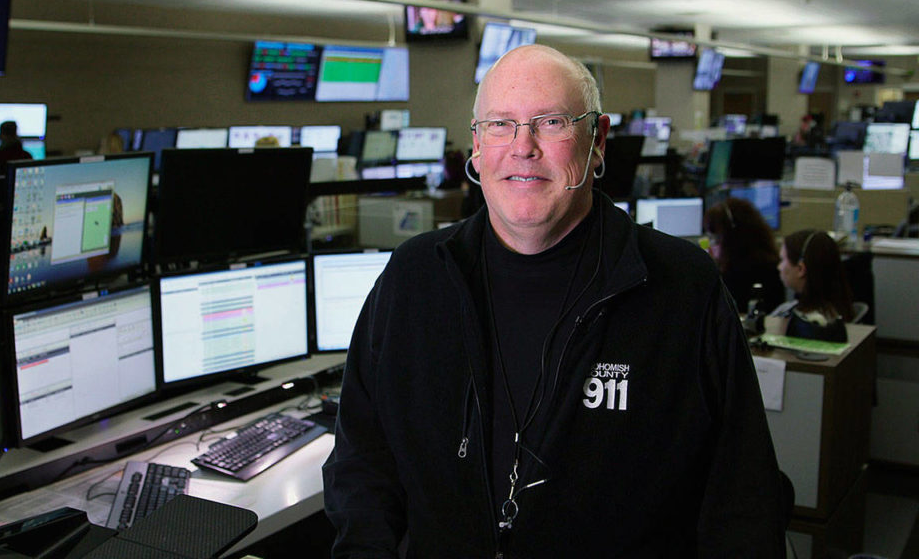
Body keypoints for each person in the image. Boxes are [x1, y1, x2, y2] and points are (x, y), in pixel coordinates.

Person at [323, 44, 786, 557]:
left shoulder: (682, 288)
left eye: (551, 122)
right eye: (500, 124)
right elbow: (361, 459)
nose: (523, 147)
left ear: (598, 140)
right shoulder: (413, 278)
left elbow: (743, 498)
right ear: (476, 146)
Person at [704, 196, 785, 314]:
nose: (713, 244)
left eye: (715, 238)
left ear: (728, 237)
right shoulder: (770, 261)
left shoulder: (734, 274)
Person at [774, 229, 853, 342]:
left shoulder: (811, 327)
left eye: (782, 260)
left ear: (801, 269)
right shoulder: (837, 311)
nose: (779, 267)